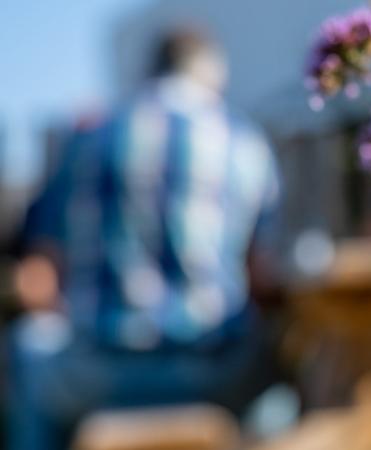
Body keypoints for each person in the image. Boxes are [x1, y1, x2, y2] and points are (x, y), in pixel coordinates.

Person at [7, 29, 282, 449]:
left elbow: (38, 278)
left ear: (150, 69)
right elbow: (260, 277)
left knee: (29, 344)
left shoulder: (87, 139)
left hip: (96, 374)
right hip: (215, 373)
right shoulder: (245, 142)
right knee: (276, 364)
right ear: (212, 74)